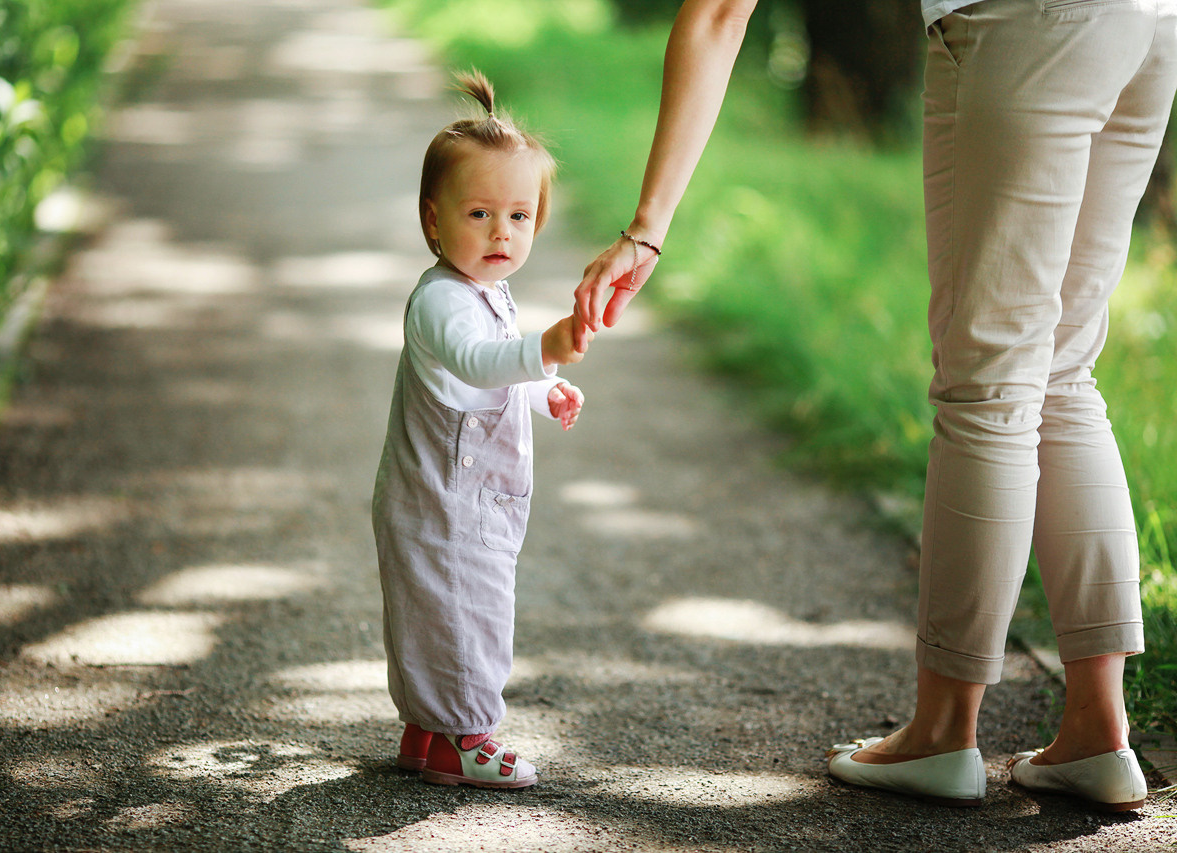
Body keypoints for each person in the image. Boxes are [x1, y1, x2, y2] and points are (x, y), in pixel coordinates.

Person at [573, 0, 1170, 811]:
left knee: (990, 381)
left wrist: (647, 228)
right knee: (1064, 370)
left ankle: (942, 733)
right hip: (1146, 23)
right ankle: (1098, 734)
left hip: (1024, 23)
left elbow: (718, 11)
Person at [373, 69, 588, 789]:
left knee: (446, 611)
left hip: (470, 500)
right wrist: (546, 350)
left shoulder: (488, 288)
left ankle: (426, 733)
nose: (503, 232)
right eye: (480, 215)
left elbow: (492, 378)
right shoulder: (442, 301)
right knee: (465, 616)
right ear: (434, 220)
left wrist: (546, 390)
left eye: (520, 216)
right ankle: (466, 734)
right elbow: (479, 359)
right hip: (444, 502)